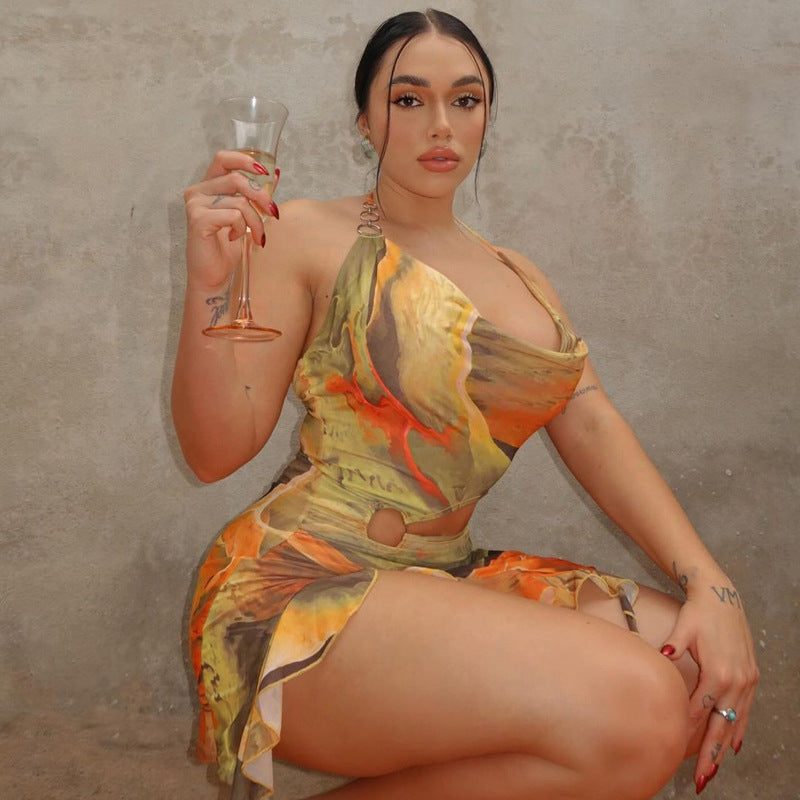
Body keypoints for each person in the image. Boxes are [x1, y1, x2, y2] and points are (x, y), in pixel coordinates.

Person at [174, 9, 758, 800]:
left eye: (467, 99)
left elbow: (589, 420)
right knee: (639, 699)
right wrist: (210, 287)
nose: (441, 124)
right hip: (301, 587)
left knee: (690, 677)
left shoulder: (520, 275)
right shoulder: (304, 233)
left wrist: (711, 586)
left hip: (444, 577)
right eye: (409, 99)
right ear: (365, 120)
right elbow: (214, 450)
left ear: (487, 115)